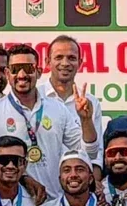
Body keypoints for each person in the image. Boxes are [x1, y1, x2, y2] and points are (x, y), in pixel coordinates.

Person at [0, 44, 83, 201]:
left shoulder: (58, 108)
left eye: (28, 68)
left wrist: (86, 120)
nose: (22, 75)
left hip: (53, 204)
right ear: (8, 74)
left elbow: (83, 150)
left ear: (38, 72)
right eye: (15, 69)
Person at [38, 35, 101, 172]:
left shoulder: (90, 102)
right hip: (40, 180)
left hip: (77, 183)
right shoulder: (35, 97)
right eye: (59, 57)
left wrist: (86, 119)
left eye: (71, 58)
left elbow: (95, 153)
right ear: (48, 62)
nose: (65, 63)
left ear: (80, 62)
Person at [98, 129, 127, 206]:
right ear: (105, 159)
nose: (118, 157)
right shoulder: (94, 196)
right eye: (111, 153)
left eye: (125, 152)